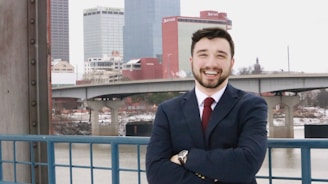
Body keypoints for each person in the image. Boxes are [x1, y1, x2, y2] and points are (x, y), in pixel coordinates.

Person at [145, 27, 268, 184]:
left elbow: (247, 164)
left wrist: (185, 157)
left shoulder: (251, 106)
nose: (211, 64)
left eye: (220, 56)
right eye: (203, 55)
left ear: (231, 63)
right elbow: (156, 172)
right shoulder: (168, 111)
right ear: (192, 61)